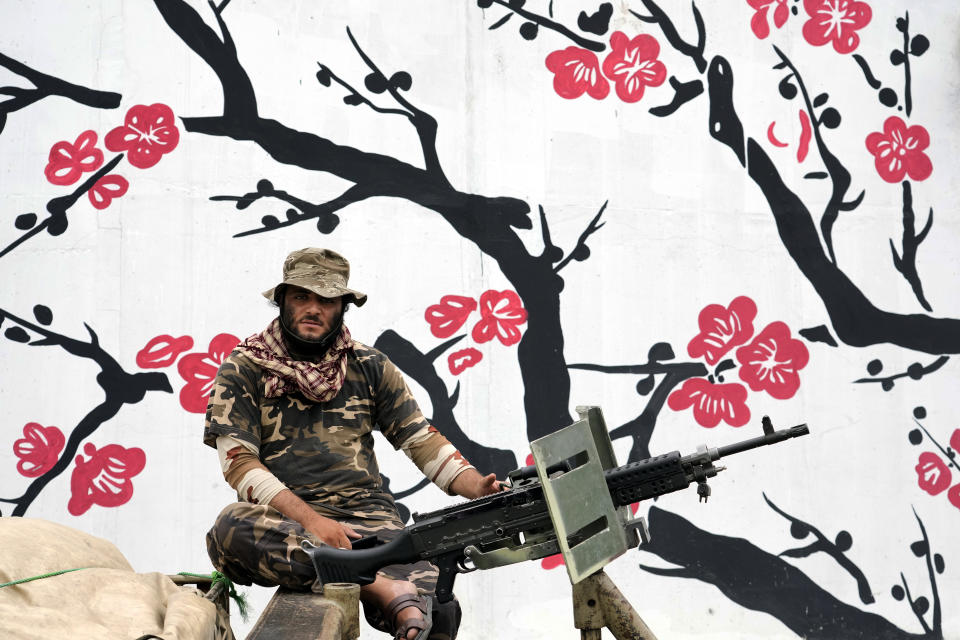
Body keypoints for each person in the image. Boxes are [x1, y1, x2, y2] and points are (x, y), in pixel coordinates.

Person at [203, 248, 502, 640]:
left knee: (439, 610)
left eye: (326, 300)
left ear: (343, 306)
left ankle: (378, 583)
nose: (313, 308)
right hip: (287, 523)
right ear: (282, 301)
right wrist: (313, 522)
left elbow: (421, 440)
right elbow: (239, 464)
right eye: (301, 297)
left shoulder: (369, 365)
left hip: (367, 520)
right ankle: (380, 587)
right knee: (231, 528)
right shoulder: (244, 368)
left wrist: (476, 486)